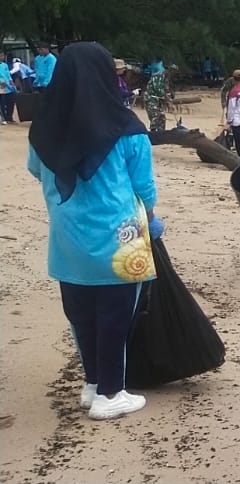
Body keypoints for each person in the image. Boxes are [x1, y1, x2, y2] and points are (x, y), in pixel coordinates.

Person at [27, 42, 164, 420]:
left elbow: (37, 171)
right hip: (120, 239)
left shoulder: (44, 130)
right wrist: (152, 222)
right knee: (117, 316)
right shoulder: (128, 130)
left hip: (67, 238)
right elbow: (144, 189)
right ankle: (110, 392)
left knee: (81, 313)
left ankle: (92, 383)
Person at [144, 61, 172, 132]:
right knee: (155, 117)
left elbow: (166, 90)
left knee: (162, 117)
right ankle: (153, 133)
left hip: (159, 100)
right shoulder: (157, 77)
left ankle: (161, 132)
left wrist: (168, 97)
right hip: (151, 99)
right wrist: (166, 97)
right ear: (167, 70)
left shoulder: (166, 79)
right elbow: (158, 90)